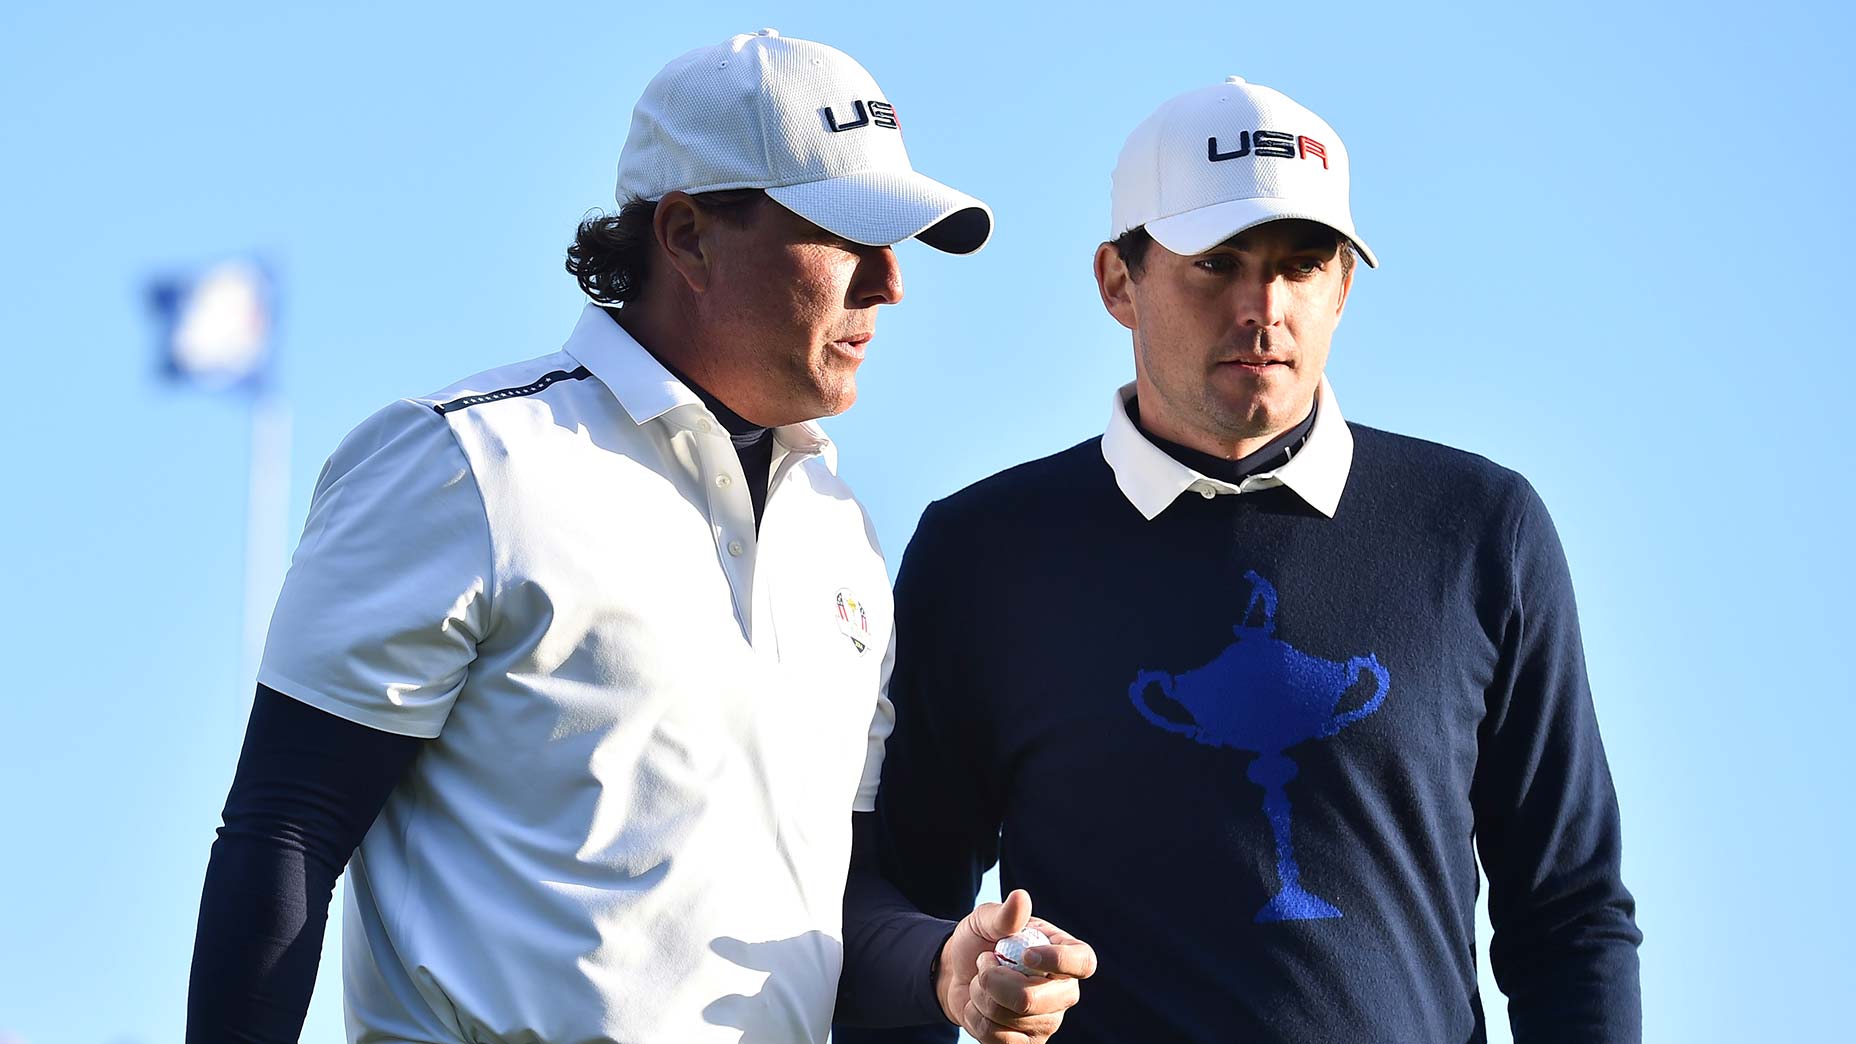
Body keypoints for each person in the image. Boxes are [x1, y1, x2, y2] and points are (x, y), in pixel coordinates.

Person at [186, 29, 1092, 1044]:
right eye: (843, 237)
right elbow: (287, 831)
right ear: (686, 236)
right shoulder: (463, 461)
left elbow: (834, 907)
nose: (888, 282)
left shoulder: (839, 531)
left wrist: (943, 967)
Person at [836, 76, 1642, 1044]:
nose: (1263, 308)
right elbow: (895, 916)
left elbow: (1569, 915)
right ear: (1115, 281)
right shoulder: (981, 557)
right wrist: (961, 974)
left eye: (1301, 265)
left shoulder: (1480, 532)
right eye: (1215, 263)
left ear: (1343, 285)